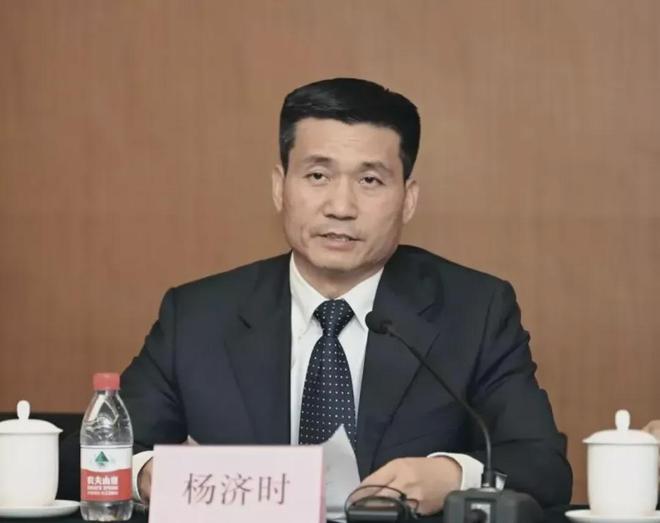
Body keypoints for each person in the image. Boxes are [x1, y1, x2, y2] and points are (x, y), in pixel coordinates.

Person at [59, 78, 572, 514]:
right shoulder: (198, 316)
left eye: (370, 180)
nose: (340, 206)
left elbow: (544, 467)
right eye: (318, 176)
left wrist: (453, 476)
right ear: (280, 186)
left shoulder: (475, 311)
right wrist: (150, 474)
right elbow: (93, 451)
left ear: (408, 199)